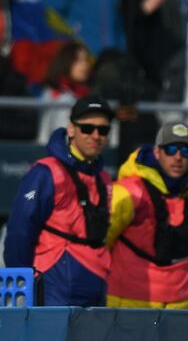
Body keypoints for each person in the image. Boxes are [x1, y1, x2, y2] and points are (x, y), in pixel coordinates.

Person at [4, 97, 114, 306]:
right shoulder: (46, 172)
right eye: (87, 128)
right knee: (50, 339)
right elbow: (20, 230)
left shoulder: (104, 179)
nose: (95, 136)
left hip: (95, 282)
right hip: (54, 282)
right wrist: (20, 282)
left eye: (103, 130)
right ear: (71, 129)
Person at [104, 121, 188, 308]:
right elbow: (102, 241)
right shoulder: (129, 191)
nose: (178, 157)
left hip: (178, 305)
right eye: (171, 149)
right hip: (127, 303)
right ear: (157, 152)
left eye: (186, 151)